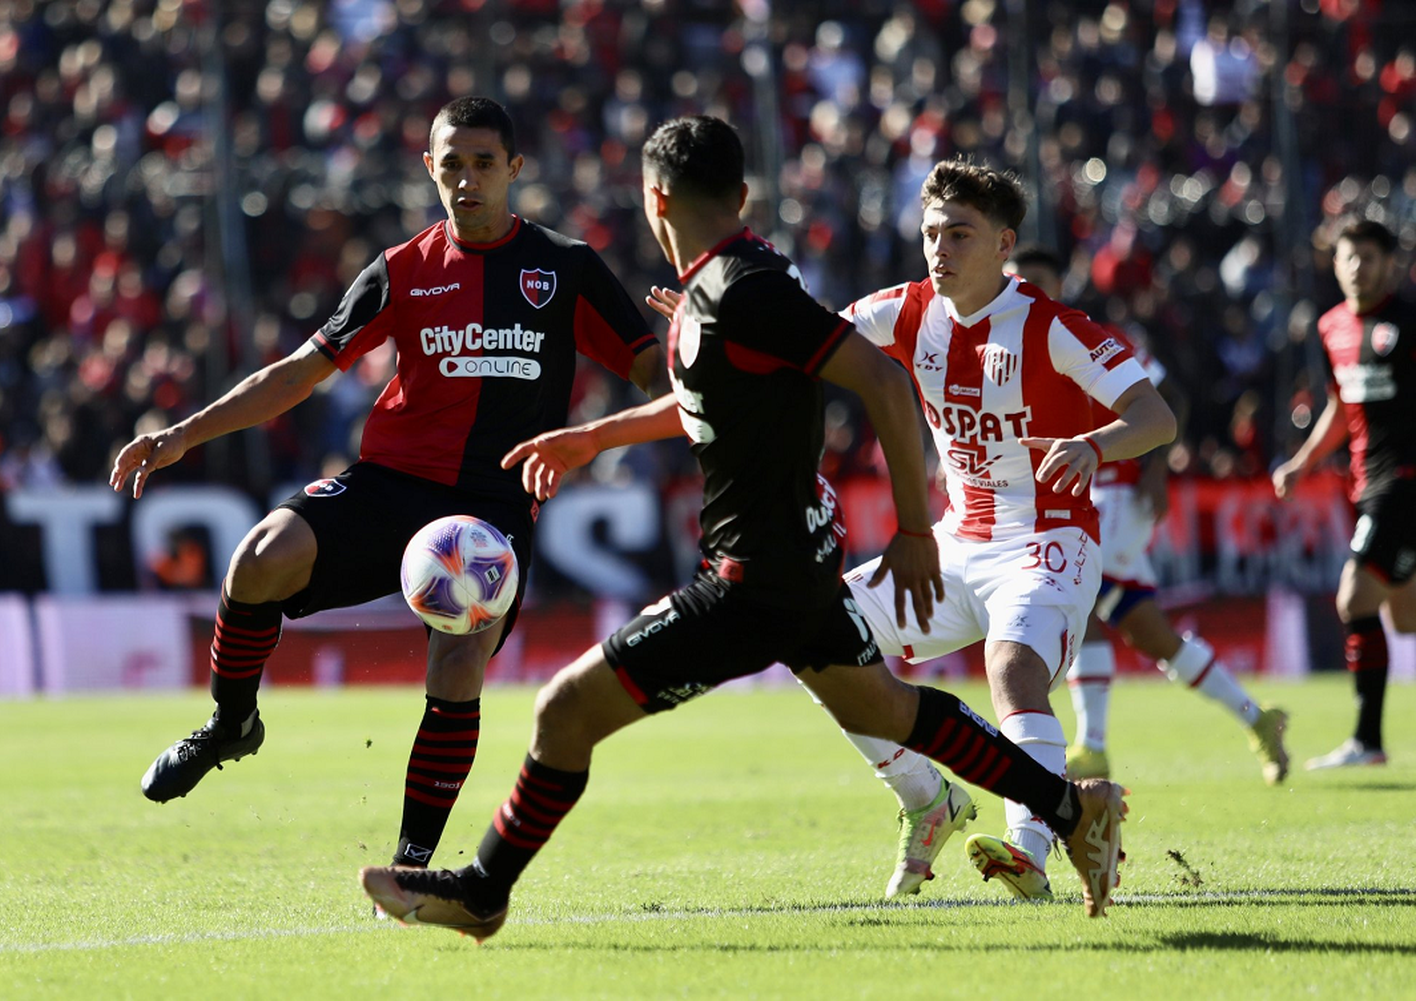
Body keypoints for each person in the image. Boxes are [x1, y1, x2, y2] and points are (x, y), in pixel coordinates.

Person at [357, 117, 1129, 939]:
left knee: (563, 712)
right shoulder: (728, 285)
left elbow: (882, 382)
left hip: (750, 579)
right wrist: (594, 436)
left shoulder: (742, 289)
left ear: (655, 199)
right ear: (742, 196)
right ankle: (1070, 809)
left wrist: (911, 528)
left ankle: (482, 893)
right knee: (893, 709)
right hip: (796, 564)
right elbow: (716, 401)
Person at [110, 97, 661, 871]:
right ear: (429, 167)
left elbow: (649, 368)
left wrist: (708, 341)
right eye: (452, 164)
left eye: (483, 163)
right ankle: (232, 723)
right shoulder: (402, 269)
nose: (466, 180)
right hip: (390, 485)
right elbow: (300, 372)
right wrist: (179, 435)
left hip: (494, 507)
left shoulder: (565, 268)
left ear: (514, 170)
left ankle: (409, 866)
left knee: (458, 662)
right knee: (260, 555)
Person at [643, 162, 1174, 904]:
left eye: (961, 233)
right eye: (931, 233)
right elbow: (798, 345)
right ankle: (929, 800)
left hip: (1046, 543)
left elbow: (1157, 417)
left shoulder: (1052, 327)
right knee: (810, 634)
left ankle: (1033, 848)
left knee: (1013, 666)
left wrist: (1095, 444)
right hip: (956, 544)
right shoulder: (903, 311)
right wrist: (717, 327)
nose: (941, 248)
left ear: (1004, 244)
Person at [1006, 246, 1289, 787]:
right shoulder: (1007, 350)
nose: (1030, 290)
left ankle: (1091, 747)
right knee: (1152, 635)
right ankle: (1260, 719)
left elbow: (1169, 397)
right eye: (1021, 280)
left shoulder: (1087, 334)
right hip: (1066, 498)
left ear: (1059, 284)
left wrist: (1157, 469)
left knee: (1078, 593)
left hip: (1115, 492)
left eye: (1040, 280)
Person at [1273, 218, 1416, 770]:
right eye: (1348, 258)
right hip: (1366, 481)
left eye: (1369, 258)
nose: (1358, 268)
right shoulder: (1332, 326)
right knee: (1404, 618)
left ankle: (1367, 741)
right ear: (1335, 265)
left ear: (1390, 265)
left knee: (1353, 598)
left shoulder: (1407, 321)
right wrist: (1302, 463)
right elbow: (1339, 404)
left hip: (1404, 482)